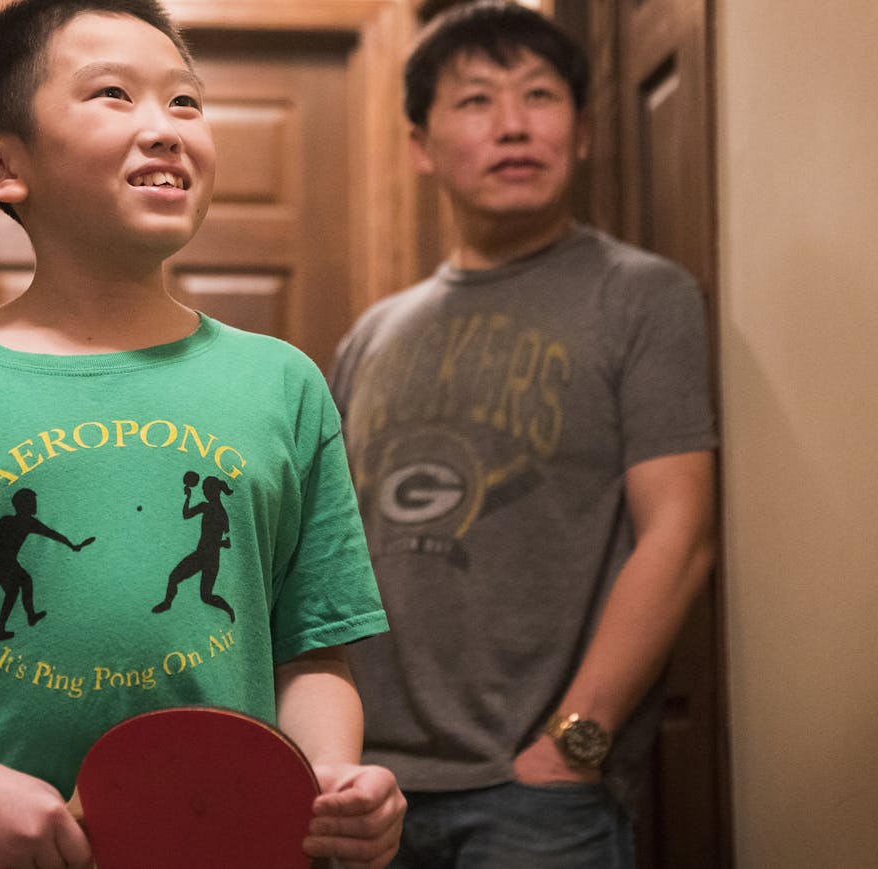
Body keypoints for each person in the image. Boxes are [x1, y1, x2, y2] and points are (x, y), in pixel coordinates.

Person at [0, 0, 405, 866]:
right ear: (1, 166)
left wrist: (328, 781)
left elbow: (311, 648)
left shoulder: (284, 384)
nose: (165, 129)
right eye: (113, 95)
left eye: (186, 102)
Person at [327, 2, 718, 867]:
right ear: (421, 145)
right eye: (474, 102)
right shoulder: (372, 336)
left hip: (536, 798)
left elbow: (680, 536)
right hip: (368, 793)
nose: (513, 125)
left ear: (581, 133)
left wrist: (572, 746)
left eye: (540, 96)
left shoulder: (641, 297)